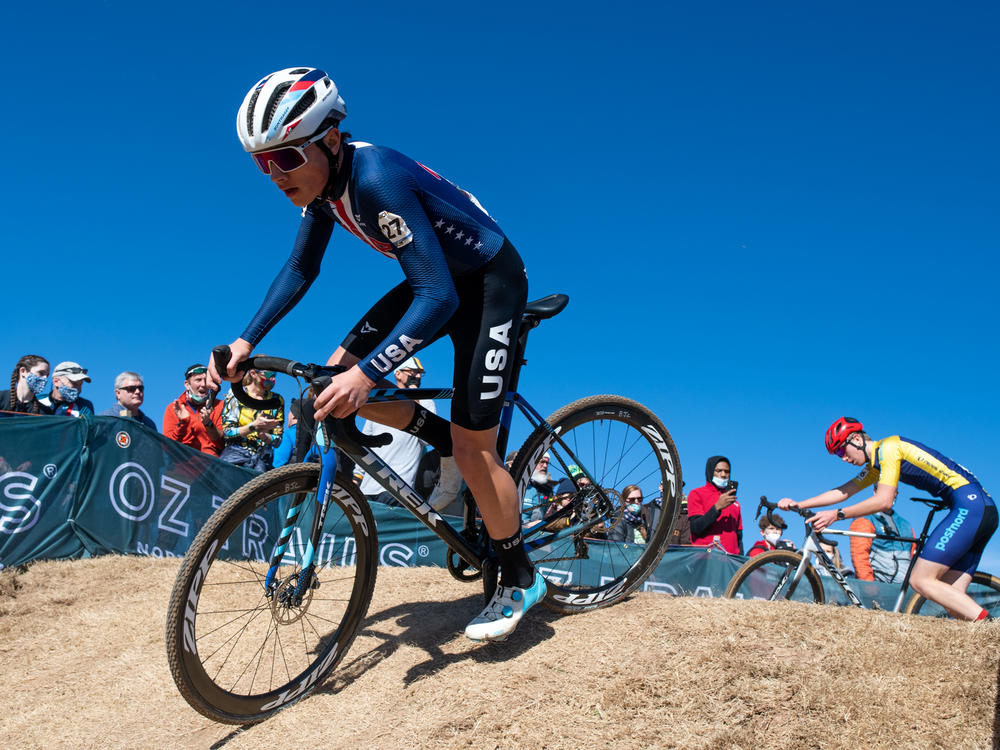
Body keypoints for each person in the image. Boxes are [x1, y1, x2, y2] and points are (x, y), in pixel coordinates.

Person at [211, 67, 544, 642]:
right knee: (329, 381)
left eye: (285, 158)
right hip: (437, 282)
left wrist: (370, 373)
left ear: (331, 139)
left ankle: (518, 575)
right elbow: (299, 268)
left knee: (461, 440)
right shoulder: (323, 190)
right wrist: (246, 342)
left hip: (488, 286)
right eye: (261, 162)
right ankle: (448, 442)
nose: (273, 174)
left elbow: (438, 297)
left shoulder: (376, 180)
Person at [779, 417, 998, 621]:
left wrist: (837, 515)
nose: (843, 459)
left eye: (841, 451)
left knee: (921, 580)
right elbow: (844, 491)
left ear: (856, 439)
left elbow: (883, 500)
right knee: (953, 600)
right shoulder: (877, 464)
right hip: (980, 508)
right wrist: (800, 504)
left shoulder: (888, 449)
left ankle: (992, 630)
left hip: (970, 507)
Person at [357, 357, 454, 509]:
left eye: (421, 373)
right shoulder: (379, 402)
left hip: (398, 488)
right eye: (413, 372)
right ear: (398, 374)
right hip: (367, 487)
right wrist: (357, 477)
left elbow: (428, 441)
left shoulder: (426, 402)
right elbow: (365, 444)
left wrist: (415, 399)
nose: (418, 376)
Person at [220, 369, 284, 472]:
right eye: (269, 374)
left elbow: (278, 440)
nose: (273, 378)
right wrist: (254, 426)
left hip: (262, 463)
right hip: (235, 459)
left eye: (274, 375)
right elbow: (227, 433)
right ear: (253, 373)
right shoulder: (237, 394)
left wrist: (265, 436)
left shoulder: (276, 400)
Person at [163, 363, 224, 456]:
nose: (203, 384)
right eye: (198, 380)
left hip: (211, 465)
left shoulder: (219, 405)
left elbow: (223, 444)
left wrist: (208, 424)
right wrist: (183, 423)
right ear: (187, 385)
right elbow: (167, 447)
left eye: (206, 380)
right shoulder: (174, 408)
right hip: (181, 464)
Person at [687, 455, 743, 554]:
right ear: (710, 471)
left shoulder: (735, 503)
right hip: (706, 558)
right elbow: (696, 528)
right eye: (719, 471)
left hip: (732, 561)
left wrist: (743, 563)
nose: (723, 474)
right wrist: (717, 508)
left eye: (727, 471)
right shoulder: (696, 494)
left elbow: (739, 537)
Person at [849, 509, 916, 584]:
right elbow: (859, 555)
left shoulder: (906, 525)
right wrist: (869, 586)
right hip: (880, 587)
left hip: (907, 588)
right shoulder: (864, 519)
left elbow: (914, 557)